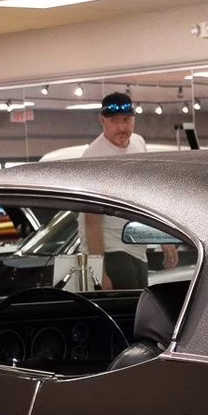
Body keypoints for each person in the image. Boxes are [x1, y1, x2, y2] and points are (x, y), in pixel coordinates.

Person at [82, 91, 150, 290]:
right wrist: (99, 271)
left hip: (138, 247)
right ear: (102, 120)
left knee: (141, 310)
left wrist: (161, 238)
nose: (122, 127)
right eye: (114, 121)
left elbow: (146, 196)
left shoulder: (138, 143)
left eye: (127, 120)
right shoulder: (94, 158)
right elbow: (91, 220)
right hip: (111, 248)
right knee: (129, 313)